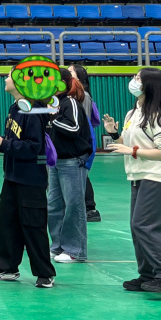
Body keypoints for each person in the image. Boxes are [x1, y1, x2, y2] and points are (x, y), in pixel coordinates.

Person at [103, 67, 161, 293]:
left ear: (149, 85)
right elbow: (129, 142)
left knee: (145, 226)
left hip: (159, 177)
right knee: (136, 227)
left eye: (137, 78)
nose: (133, 80)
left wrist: (132, 151)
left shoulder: (159, 116)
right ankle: (148, 274)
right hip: (140, 176)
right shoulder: (133, 113)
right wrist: (113, 133)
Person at [0, 68, 55, 288]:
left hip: (31, 178)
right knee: (7, 223)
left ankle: (44, 273)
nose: (5, 79)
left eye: (9, 76)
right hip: (12, 175)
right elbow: (14, 143)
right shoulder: (15, 108)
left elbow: (33, 147)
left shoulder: (34, 110)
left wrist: (4, 143)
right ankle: (6, 267)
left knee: (33, 225)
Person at [47, 69, 92, 264]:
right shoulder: (50, 105)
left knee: (73, 204)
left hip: (72, 161)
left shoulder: (70, 103)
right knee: (54, 205)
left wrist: (52, 119)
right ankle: (57, 245)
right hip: (55, 161)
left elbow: (73, 128)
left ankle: (75, 249)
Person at [66, 64, 103, 220]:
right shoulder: (69, 95)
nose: (67, 74)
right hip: (73, 140)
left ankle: (90, 208)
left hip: (82, 140)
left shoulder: (84, 97)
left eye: (70, 72)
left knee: (82, 173)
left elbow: (84, 122)